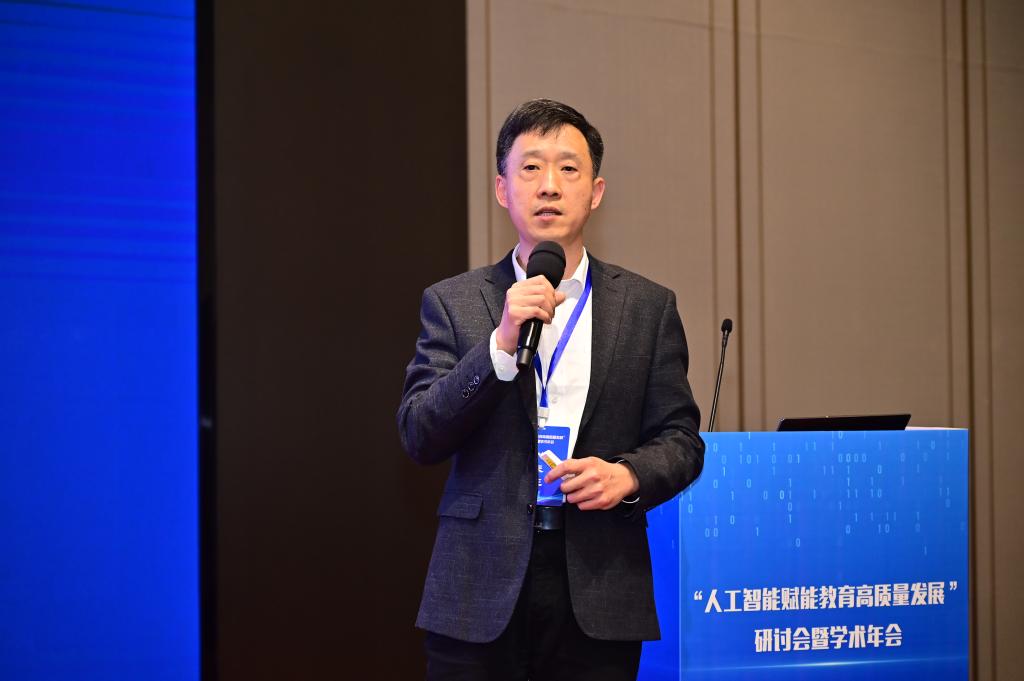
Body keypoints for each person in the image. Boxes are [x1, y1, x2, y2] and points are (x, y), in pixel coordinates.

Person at [398, 99, 704, 681]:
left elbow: (681, 440)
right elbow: (420, 432)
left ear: (596, 191)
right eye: (531, 168)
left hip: (600, 585)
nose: (549, 186)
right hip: (478, 589)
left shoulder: (647, 307)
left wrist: (628, 475)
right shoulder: (454, 302)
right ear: (502, 189)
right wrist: (500, 345)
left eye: (568, 168)